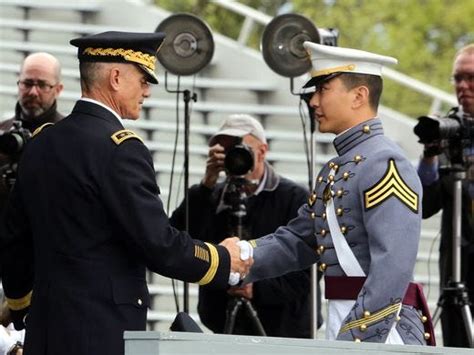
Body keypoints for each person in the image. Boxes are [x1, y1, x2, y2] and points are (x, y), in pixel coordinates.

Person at [0, 31, 251, 355]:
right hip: (100, 333)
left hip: (44, 331)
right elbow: (159, 244)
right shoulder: (121, 150)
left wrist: (22, 307)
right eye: (143, 79)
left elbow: (14, 239)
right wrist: (222, 260)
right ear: (116, 78)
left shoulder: (41, 143)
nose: (146, 90)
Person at [244, 42, 435, 345]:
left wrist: (355, 340)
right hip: (343, 317)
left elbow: (392, 268)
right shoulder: (336, 167)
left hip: (382, 331)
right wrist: (238, 257)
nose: (313, 102)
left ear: (359, 95)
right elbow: (299, 240)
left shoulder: (386, 162)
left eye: (323, 90)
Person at [170, 114, 318, 338]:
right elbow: (178, 238)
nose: (234, 156)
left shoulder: (294, 197)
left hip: (284, 329)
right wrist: (206, 186)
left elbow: (309, 270)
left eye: (241, 148)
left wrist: (256, 289)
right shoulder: (212, 195)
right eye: (226, 149)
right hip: (223, 322)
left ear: (262, 151)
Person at [417, 43, 474, 347]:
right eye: (457, 78)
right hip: (457, 271)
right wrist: (429, 158)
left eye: (471, 78)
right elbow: (424, 206)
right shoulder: (449, 131)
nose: (462, 86)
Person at [0, 52, 64, 212]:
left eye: (42, 85)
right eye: (27, 83)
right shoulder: (3, 132)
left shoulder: (69, 135)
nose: (33, 92)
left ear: (58, 89)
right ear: (18, 84)